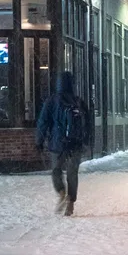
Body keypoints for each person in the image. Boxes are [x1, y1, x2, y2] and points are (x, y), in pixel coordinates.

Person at [35, 71, 90, 216]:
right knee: (72, 173)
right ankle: (71, 202)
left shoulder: (51, 101)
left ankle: (61, 191)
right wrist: (87, 140)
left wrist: (39, 141)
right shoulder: (78, 101)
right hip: (75, 143)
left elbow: (43, 122)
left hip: (57, 143)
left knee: (56, 170)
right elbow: (88, 123)